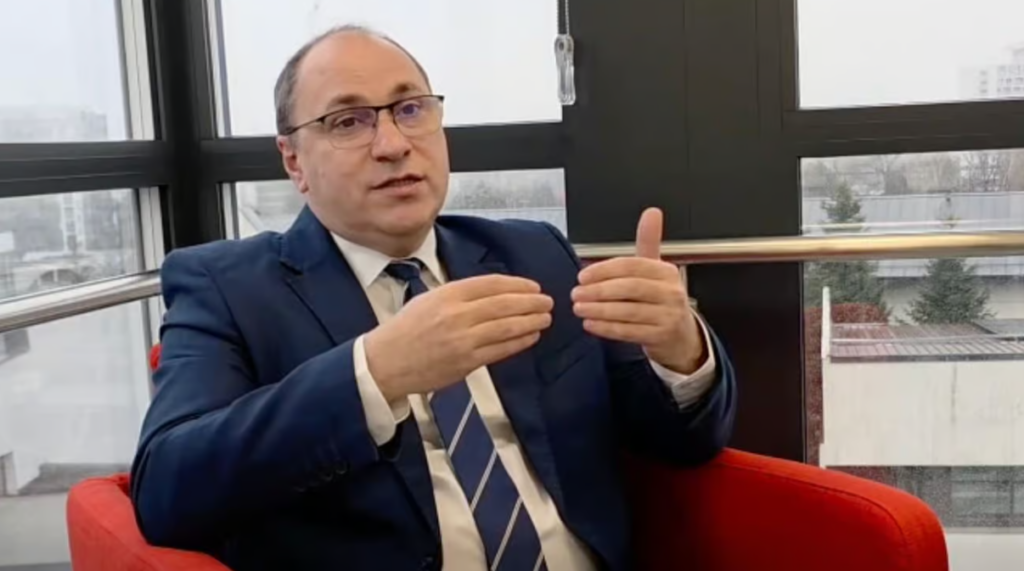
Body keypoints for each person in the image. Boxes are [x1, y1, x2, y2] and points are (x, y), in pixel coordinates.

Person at [130, 25, 736, 571]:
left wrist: (679, 351)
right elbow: (167, 490)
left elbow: (680, 442)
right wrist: (375, 373)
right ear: (294, 161)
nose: (393, 144)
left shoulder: (533, 253)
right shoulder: (227, 287)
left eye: (410, 109)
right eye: (348, 122)